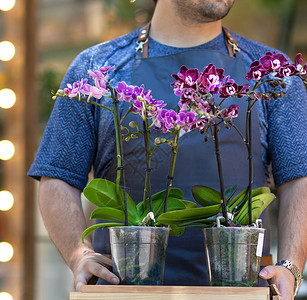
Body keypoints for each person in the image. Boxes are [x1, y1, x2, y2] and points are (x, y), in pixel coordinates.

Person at [28, 1, 307, 299]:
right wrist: (77, 254)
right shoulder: (97, 68)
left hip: (239, 291)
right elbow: (58, 177)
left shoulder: (271, 72)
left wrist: (290, 266)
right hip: (123, 292)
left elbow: (299, 179)